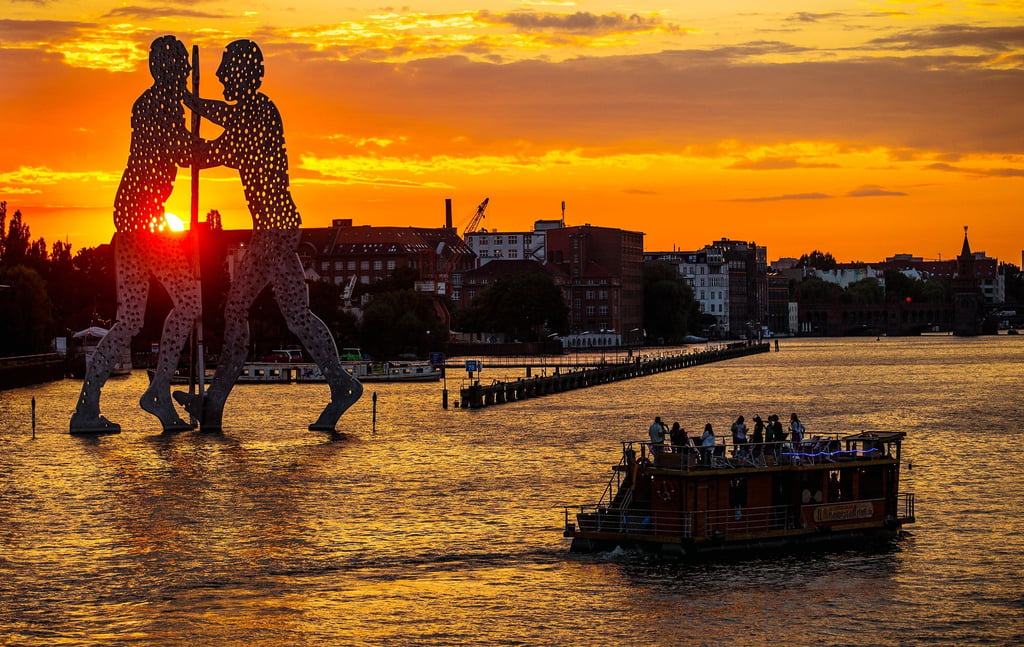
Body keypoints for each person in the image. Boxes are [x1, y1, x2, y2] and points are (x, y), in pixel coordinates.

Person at [176, 39, 362, 432]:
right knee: (295, 314)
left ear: (243, 73)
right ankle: (340, 383)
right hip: (275, 229)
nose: (221, 75)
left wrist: (183, 133)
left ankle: (214, 405)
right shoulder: (250, 111)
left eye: (227, 68)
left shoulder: (258, 113)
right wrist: (190, 102)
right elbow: (221, 117)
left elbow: (212, 151)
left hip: (274, 231)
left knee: (237, 310)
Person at [71, 35, 200, 434]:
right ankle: (158, 391)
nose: (184, 77)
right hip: (142, 224)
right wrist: (232, 148)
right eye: (181, 70)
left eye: (186, 71)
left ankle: (88, 409)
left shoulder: (156, 103)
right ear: (164, 70)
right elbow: (185, 152)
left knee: (128, 321)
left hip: (135, 221)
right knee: (191, 303)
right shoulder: (157, 105)